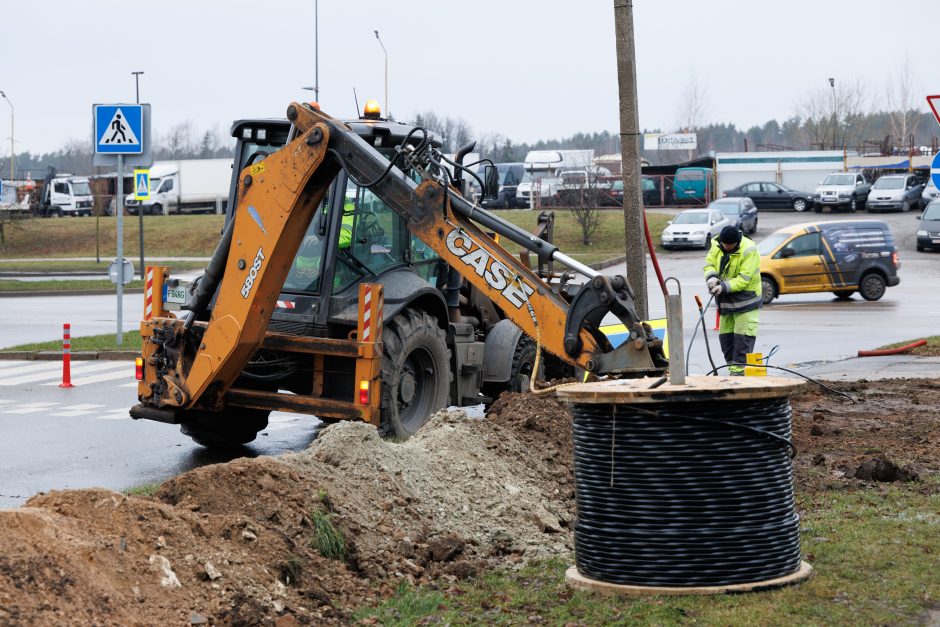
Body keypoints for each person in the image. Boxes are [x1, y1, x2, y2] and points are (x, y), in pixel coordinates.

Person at [703, 225, 761, 375]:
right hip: (726, 300)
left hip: (746, 300)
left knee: (743, 339)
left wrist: (723, 287)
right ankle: (733, 371)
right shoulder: (716, 245)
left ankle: (740, 373)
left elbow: (744, 279)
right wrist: (711, 277)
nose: (727, 248)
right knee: (726, 339)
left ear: (737, 242)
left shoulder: (749, 250)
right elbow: (709, 264)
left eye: (730, 246)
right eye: (725, 245)